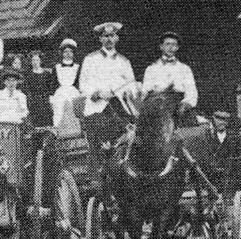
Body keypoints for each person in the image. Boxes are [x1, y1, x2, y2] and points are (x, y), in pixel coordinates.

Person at [78, 22, 136, 154]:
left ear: (117, 38)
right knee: (104, 149)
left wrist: (121, 92)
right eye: (105, 36)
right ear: (100, 39)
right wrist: (97, 94)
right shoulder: (90, 59)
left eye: (112, 35)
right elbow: (83, 84)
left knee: (136, 135)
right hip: (97, 108)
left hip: (120, 109)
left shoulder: (124, 61)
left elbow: (131, 85)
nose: (109, 39)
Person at [140, 31, 199, 116]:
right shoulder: (151, 69)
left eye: (174, 45)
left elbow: (192, 93)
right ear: (161, 47)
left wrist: (185, 104)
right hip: (156, 109)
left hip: (179, 109)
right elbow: (144, 93)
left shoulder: (185, 69)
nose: (171, 47)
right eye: (167, 44)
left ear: (177, 48)